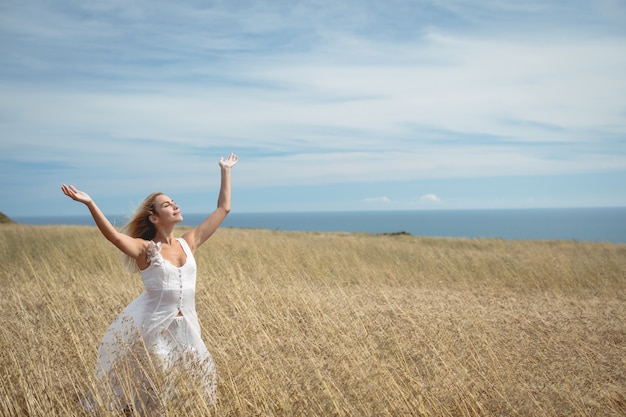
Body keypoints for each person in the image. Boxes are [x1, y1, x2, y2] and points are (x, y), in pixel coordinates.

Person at [62, 153, 238, 415]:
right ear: (154, 218)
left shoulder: (188, 242)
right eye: (167, 204)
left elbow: (223, 208)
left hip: (188, 329)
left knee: (198, 381)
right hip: (155, 330)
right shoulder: (147, 250)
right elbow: (113, 236)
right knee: (160, 387)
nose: (175, 206)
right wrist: (90, 203)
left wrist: (225, 170)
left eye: (174, 202)